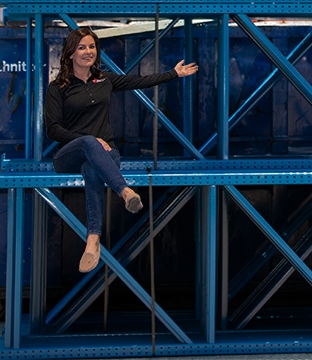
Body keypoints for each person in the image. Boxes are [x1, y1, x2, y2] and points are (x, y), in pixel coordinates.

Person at [44, 26, 198, 273]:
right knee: (88, 145)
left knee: (92, 169)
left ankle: (93, 241)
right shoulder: (58, 87)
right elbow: (53, 129)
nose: (88, 51)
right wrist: (89, 139)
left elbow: (138, 81)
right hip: (68, 154)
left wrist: (173, 74)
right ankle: (125, 192)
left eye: (92, 46)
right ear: (70, 53)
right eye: (82, 47)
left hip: (106, 153)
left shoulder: (105, 80)